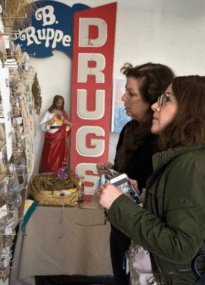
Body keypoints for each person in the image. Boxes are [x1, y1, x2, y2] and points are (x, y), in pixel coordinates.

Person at [98, 76, 205, 285]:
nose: (156, 106)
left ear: (190, 109)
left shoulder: (190, 164)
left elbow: (180, 246)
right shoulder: (181, 158)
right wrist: (140, 200)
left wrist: (119, 204)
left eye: (166, 99)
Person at [97, 63, 175, 285]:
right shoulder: (129, 130)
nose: (123, 98)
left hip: (145, 237)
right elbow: (132, 172)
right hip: (119, 225)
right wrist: (114, 171)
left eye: (131, 93)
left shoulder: (165, 142)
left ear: (153, 100)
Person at [39, 95, 72, 173]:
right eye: (58, 103)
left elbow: (67, 129)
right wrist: (48, 122)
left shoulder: (64, 114)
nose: (59, 104)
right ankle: (47, 175)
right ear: (54, 102)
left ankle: (59, 175)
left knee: (59, 159)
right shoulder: (49, 112)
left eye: (61, 103)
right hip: (51, 138)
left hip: (60, 140)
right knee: (48, 158)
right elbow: (41, 126)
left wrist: (68, 124)